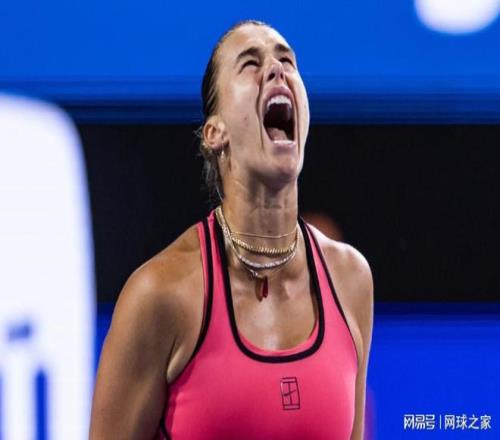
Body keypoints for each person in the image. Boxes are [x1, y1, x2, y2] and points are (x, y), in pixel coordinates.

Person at [89, 20, 373, 440]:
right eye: (250, 64)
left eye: (287, 61)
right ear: (214, 132)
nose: (276, 70)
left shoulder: (350, 278)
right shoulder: (160, 294)